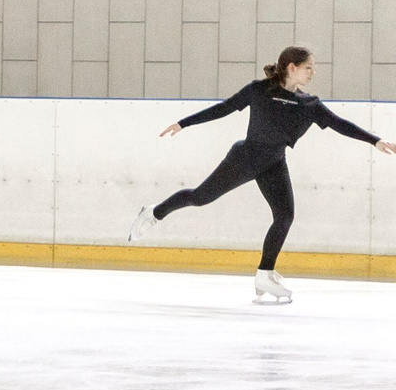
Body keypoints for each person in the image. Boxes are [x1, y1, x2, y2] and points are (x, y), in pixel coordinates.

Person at [128, 46, 394, 303]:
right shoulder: (259, 91)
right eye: (308, 67)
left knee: (285, 216)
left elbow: (340, 124)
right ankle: (153, 213)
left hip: (274, 162)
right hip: (245, 158)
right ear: (292, 67)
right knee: (200, 197)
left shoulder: (309, 104)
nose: (313, 73)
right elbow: (224, 108)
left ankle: (265, 274)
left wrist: (374, 141)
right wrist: (183, 123)